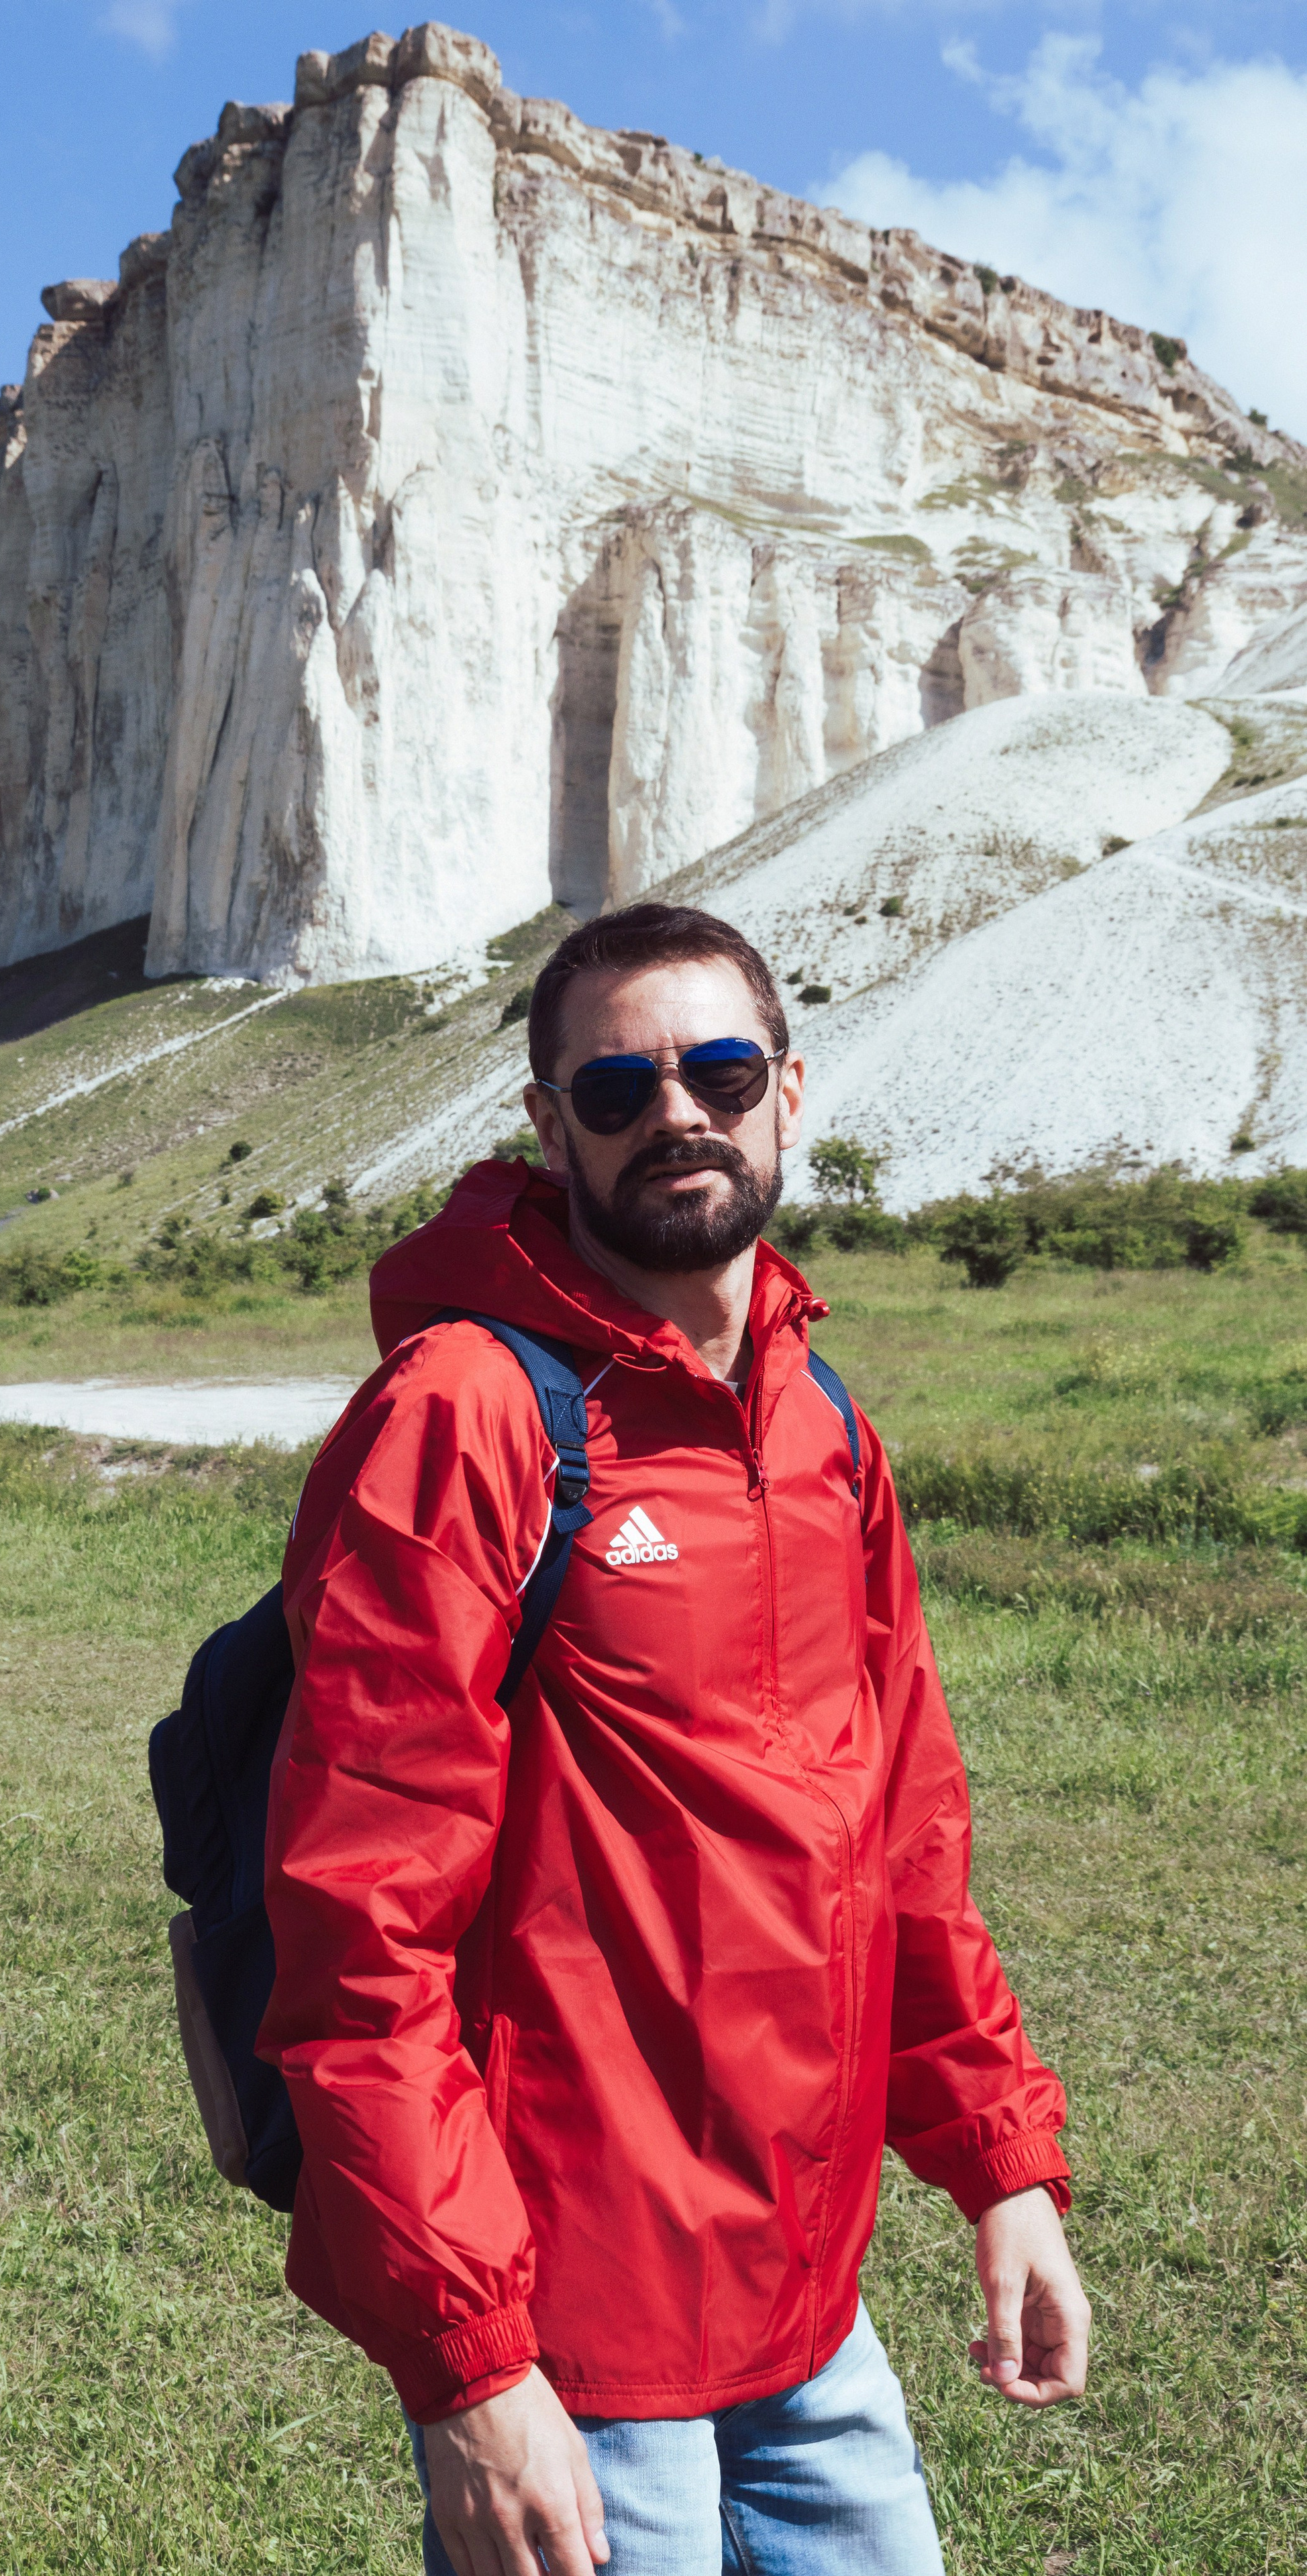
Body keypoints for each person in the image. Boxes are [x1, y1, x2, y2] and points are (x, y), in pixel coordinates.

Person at [258, 901, 1088, 2576]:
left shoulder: (820, 1425)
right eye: (618, 1089)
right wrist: (473, 2363)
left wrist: (1001, 2167)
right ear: (546, 1124)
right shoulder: (467, 1414)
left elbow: (903, 1840)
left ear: (789, 1094)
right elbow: (360, 1929)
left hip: (808, 2315)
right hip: (572, 2338)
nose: (675, 1116)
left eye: (716, 1070)